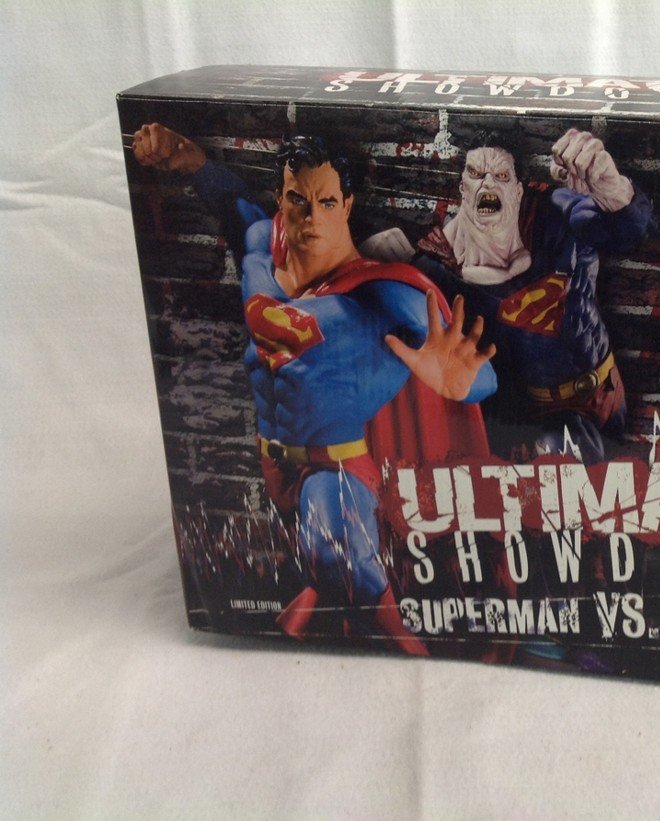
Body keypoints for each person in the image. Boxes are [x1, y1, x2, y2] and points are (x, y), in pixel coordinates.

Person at [133, 124, 498, 653]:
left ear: (347, 204)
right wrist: (190, 161)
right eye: (297, 200)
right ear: (281, 198)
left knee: (345, 566)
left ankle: (413, 653)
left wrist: (463, 381)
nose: (311, 217)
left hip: (336, 465)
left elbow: (476, 372)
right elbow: (234, 205)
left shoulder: (383, 291)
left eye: (326, 202)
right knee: (320, 578)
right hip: (274, 463)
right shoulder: (261, 248)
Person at [363, 128, 655, 464]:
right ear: (463, 188)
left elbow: (631, 229)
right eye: (476, 174)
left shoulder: (556, 215)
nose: (487, 184)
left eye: (501, 176)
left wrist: (613, 189)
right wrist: (379, 272)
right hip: (540, 424)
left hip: (609, 394)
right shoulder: (438, 265)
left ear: (517, 190)